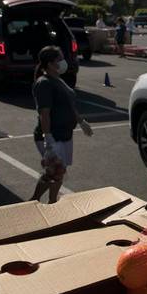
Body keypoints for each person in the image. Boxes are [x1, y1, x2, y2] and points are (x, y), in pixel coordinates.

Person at [30, 46, 93, 204]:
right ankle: (43, 200)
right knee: (56, 171)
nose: (64, 62)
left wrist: (82, 122)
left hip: (65, 135)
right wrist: (48, 137)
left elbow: (69, 107)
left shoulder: (58, 81)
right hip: (53, 136)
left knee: (57, 171)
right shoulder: (44, 83)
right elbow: (44, 113)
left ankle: (45, 200)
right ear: (51, 64)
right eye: (60, 59)